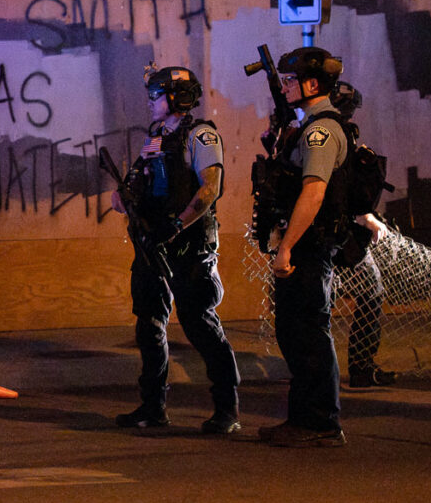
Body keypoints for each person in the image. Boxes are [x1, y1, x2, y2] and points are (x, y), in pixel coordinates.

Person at [112, 66, 242, 435]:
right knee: (150, 325)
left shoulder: (200, 136)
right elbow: (136, 187)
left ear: (175, 98)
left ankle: (226, 409)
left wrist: (176, 225)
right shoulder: (155, 138)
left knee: (200, 323)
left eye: (156, 95)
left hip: (188, 246)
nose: (150, 102)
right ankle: (153, 407)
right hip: (154, 244)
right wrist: (125, 197)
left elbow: (209, 190)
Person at [260, 46, 349, 447]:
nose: (286, 85)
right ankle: (305, 419)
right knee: (294, 331)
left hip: (309, 248)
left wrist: (286, 248)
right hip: (303, 245)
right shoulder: (304, 126)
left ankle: (321, 423)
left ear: (313, 84)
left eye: (292, 80)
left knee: (309, 332)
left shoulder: (321, 131)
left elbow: (313, 193)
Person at [327, 81, 397, 389]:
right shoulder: (337, 132)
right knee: (369, 290)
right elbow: (341, 184)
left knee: (325, 300)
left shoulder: (307, 127)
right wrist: (366, 217)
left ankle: (351, 369)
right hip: (335, 231)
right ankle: (358, 367)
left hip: (325, 230)